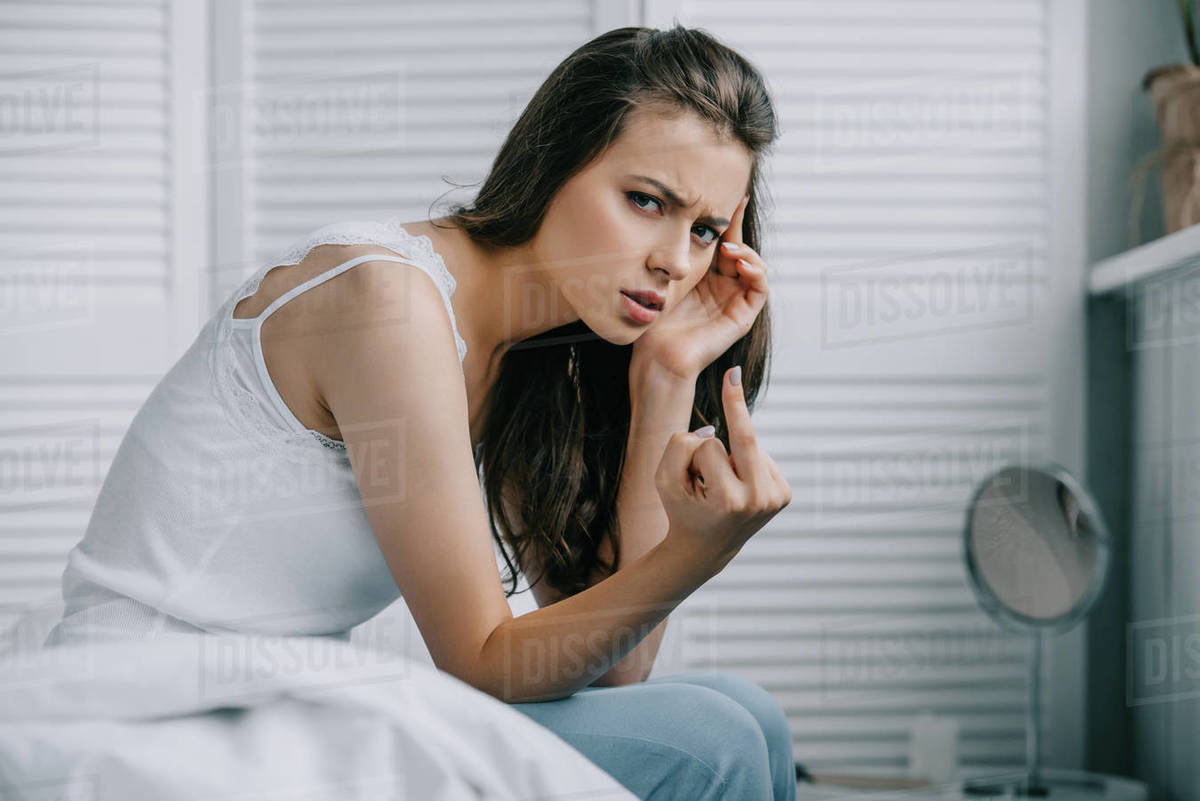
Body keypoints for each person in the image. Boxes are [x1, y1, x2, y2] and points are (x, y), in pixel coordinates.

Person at [39, 23, 794, 801]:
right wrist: (701, 550)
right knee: (713, 740)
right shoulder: (387, 301)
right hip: (156, 708)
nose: (675, 259)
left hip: (285, 700)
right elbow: (483, 659)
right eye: (646, 201)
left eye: (705, 229)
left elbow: (619, 668)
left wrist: (664, 377)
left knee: (747, 711)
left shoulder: (533, 355)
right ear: (555, 160)